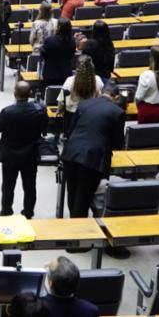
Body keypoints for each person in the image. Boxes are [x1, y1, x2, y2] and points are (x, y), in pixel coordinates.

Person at [61, 80, 125, 218]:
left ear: (101, 93)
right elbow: (118, 144)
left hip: (71, 152)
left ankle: (72, 225)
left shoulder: (84, 104)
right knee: (83, 198)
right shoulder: (117, 112)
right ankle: (77, 232)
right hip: (93, 159)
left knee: (72, 195)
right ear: (117, 97)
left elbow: (70, 130)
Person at [0, 81, 48, 218]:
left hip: (10, 155)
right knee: (29, 186)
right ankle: (28, 212)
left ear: (14, 94)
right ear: (30, 94)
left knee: (8, 185)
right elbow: (44, 130)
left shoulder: (7, 112)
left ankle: (6, 210)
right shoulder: (39, 111)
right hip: (30, 155)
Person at [41, 18, 76, 87]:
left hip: (50, 74)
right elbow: (71, 56)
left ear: (58, 27)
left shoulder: (50, 40)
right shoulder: (72, 42)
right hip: (66, 74)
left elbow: (44, 55)